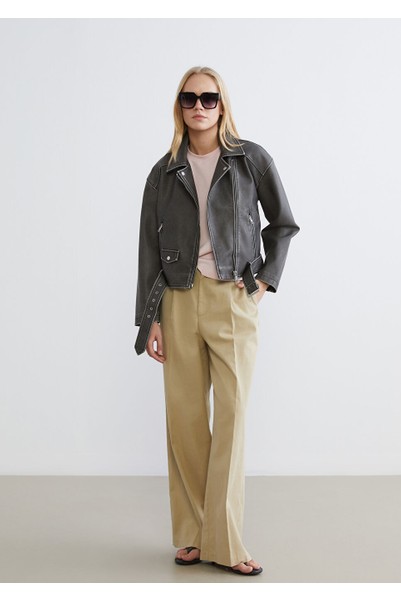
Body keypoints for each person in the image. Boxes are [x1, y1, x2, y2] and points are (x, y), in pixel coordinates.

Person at [134, 66, 300, 576]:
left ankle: (225, 542)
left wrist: (264, 282)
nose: (199, 107)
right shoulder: (164, 172)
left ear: (222, 104)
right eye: (189, 98)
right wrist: (150, 318)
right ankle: (192, 534)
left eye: (208, 98)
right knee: (185, 421)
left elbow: (283, 224)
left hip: (233, 298)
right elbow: (147, 249)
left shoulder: (251, 160)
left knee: (231, 417)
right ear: (179, 107)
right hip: (178, 301)